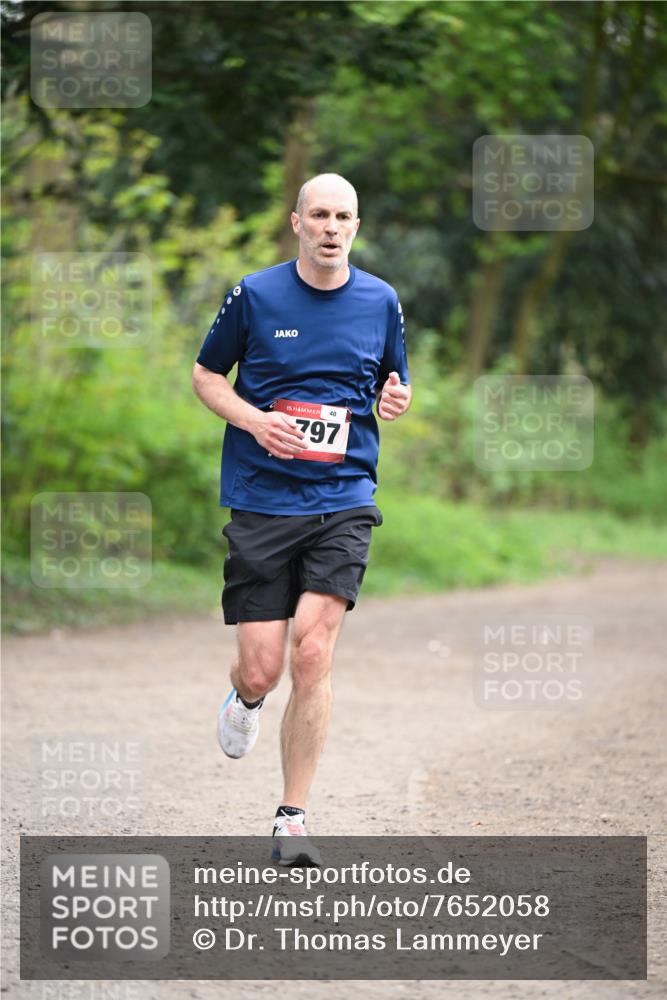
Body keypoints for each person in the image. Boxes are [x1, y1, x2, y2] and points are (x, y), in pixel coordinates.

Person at [192, 173, 411, 865]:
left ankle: (292, 818)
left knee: (312, 653)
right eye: (318, 214)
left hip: (343, 495)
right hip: (261, 498)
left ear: (355, 224)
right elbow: (205, 376)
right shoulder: (255, 295)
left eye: (343, 216)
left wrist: (397, 399)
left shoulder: (380, 300)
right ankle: (245, 698)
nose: (330, 227)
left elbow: (389, 383)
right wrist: (256, 422)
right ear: (296, 222)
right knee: (262, 669)